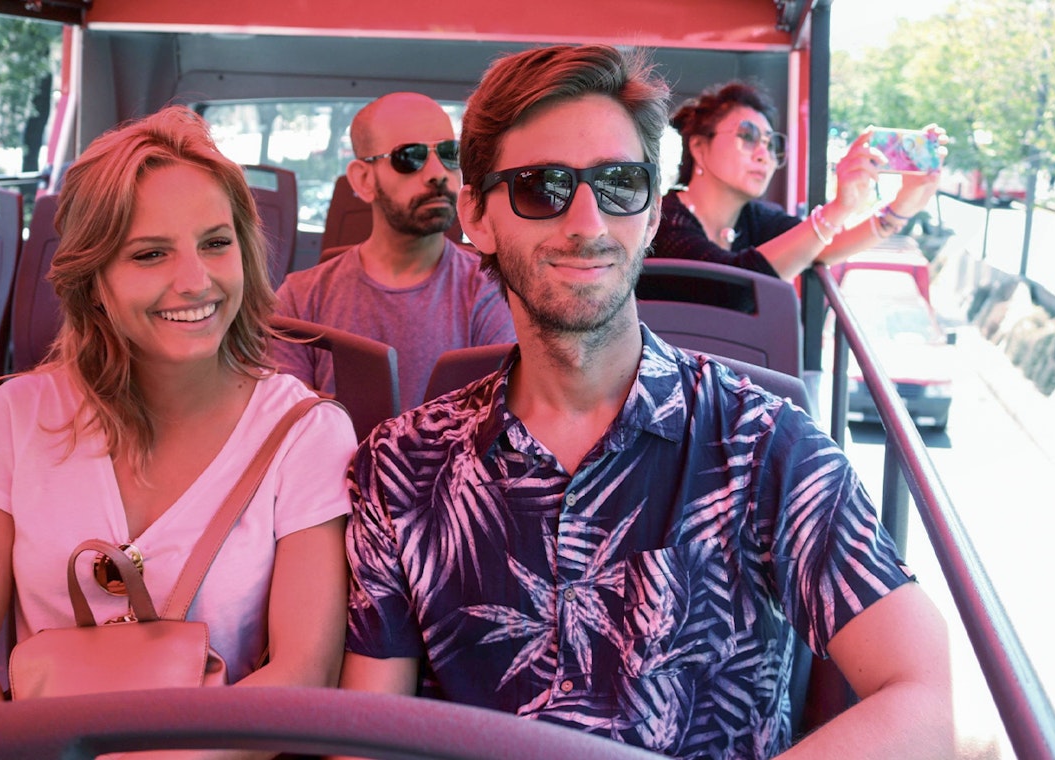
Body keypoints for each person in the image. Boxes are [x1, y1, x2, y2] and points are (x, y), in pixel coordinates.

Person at [340, 45, 953, 759]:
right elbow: (368, 734)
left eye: (621, 183)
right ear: (475, 213)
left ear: (653, 214)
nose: (589, 223)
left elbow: (919, 695)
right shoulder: (401, 465)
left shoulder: (764, 445)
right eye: (542, 187)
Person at [0, 106, 356, 751]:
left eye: (216, 242)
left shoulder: (307, 433)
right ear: (93, 281)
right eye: (150, 254)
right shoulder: (14, 418)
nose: (195, 281)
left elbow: (304, 673)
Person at [270, 92, 515, 411]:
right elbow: (291, 427)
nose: (437, 173)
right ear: (363, 179)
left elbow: (499, 422)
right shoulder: (299, 299)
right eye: (410, 157)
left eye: (449, 153)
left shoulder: (492, 290)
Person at [651, 80, 943, 281]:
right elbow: (732, 283)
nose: (764, 154)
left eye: (770, 143)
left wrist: (900, 208)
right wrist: (839, 208)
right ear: (699, 148)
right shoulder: (662, 221)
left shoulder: (755, 219)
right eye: (748, 137)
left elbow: (821, 246)